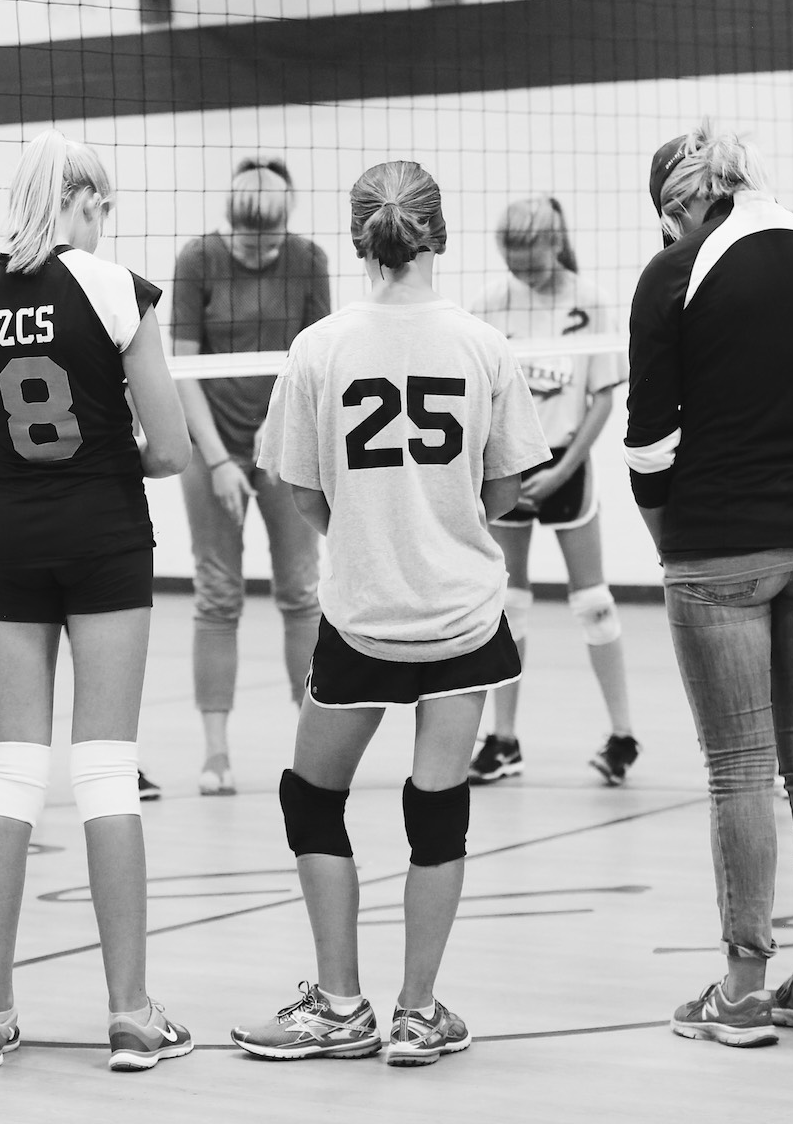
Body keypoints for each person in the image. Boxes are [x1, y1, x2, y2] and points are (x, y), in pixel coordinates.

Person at [230, 161, 547, 1068]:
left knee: (310, 799)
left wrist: (363, 535)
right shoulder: (483, 344)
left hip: (363, 613)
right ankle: (416, 1013)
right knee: (436, 809)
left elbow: (295, 483)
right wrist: (445, 527)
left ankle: (338, 1006)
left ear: (361, 236)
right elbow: (509, 485)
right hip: (462, 617)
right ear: (438, 235)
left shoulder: (320, 347)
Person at [0, 128, 194, 1072]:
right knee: (108, 771)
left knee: (10, 771)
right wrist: (102, 462)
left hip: (12, 539)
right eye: (101, 203)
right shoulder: (116, 287)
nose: (102, 218)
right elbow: (171, 447)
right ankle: (130, 1014)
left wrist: (12, 475)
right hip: (106, 534)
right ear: (80, 199)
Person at [626, 125, 793, 1048]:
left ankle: (740, 993)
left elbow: (650, 445)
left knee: (740, 771)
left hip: (722, 549)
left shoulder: (678, 271)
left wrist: (669, 539)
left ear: (680, 203)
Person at [464, 196, 636, 787]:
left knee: (593, 602)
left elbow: (605, 397)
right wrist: (497, 465)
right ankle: (503, 740)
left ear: (554, 241)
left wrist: (563, 471)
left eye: (531, 253)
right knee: (507, 606)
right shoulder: (489, 303)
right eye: (511, 255)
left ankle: (622, 734)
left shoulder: (587, 299)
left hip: (566, 463)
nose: (522, 266)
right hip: (508, 462)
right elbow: (478, 398)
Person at [172, 156, 330, 796]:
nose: (258, 249)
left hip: (283, 438)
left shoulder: (309, 259)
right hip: (209, 437)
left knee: (300, 591)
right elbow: (181, 369)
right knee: (217, 595)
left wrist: (280, 431)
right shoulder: (197, 260)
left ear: (285, 221)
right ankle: (216, 755)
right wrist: (215, 462)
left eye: (268, 238)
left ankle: (311, 747)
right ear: (230, 223)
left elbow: (316, 359)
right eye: (247, 238)